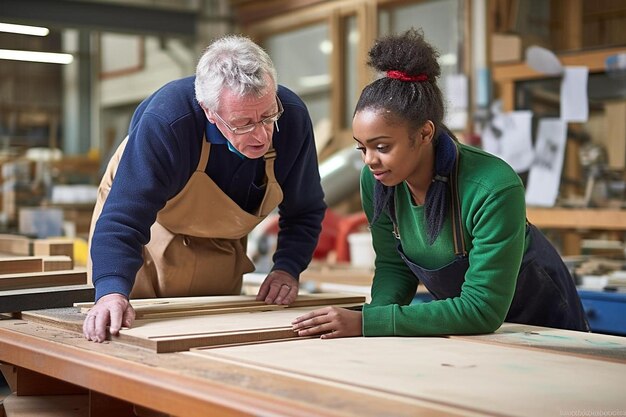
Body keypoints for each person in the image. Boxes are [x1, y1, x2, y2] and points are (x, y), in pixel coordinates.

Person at [292, 28, 588, 339]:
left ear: (424, 134)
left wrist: (368, 322)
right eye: (361, 147)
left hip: (545, 330)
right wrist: (372, 324)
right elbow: (394, 268)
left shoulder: (492, 187)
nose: (369, 160)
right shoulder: (376, 180)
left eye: (382, 147)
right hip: (472, 332)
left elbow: (481, 309)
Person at [83, 35, 326, 342]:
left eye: (267, 117)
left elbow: (305, 209)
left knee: (215, 330)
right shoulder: (168, 122)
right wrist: (111, 291)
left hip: (221, 237)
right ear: (209, 111)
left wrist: (287, 268)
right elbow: (123, 218)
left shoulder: (292, 119)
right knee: (128, 326)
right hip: (150, 225)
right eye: (243, 123)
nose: (262, 135)